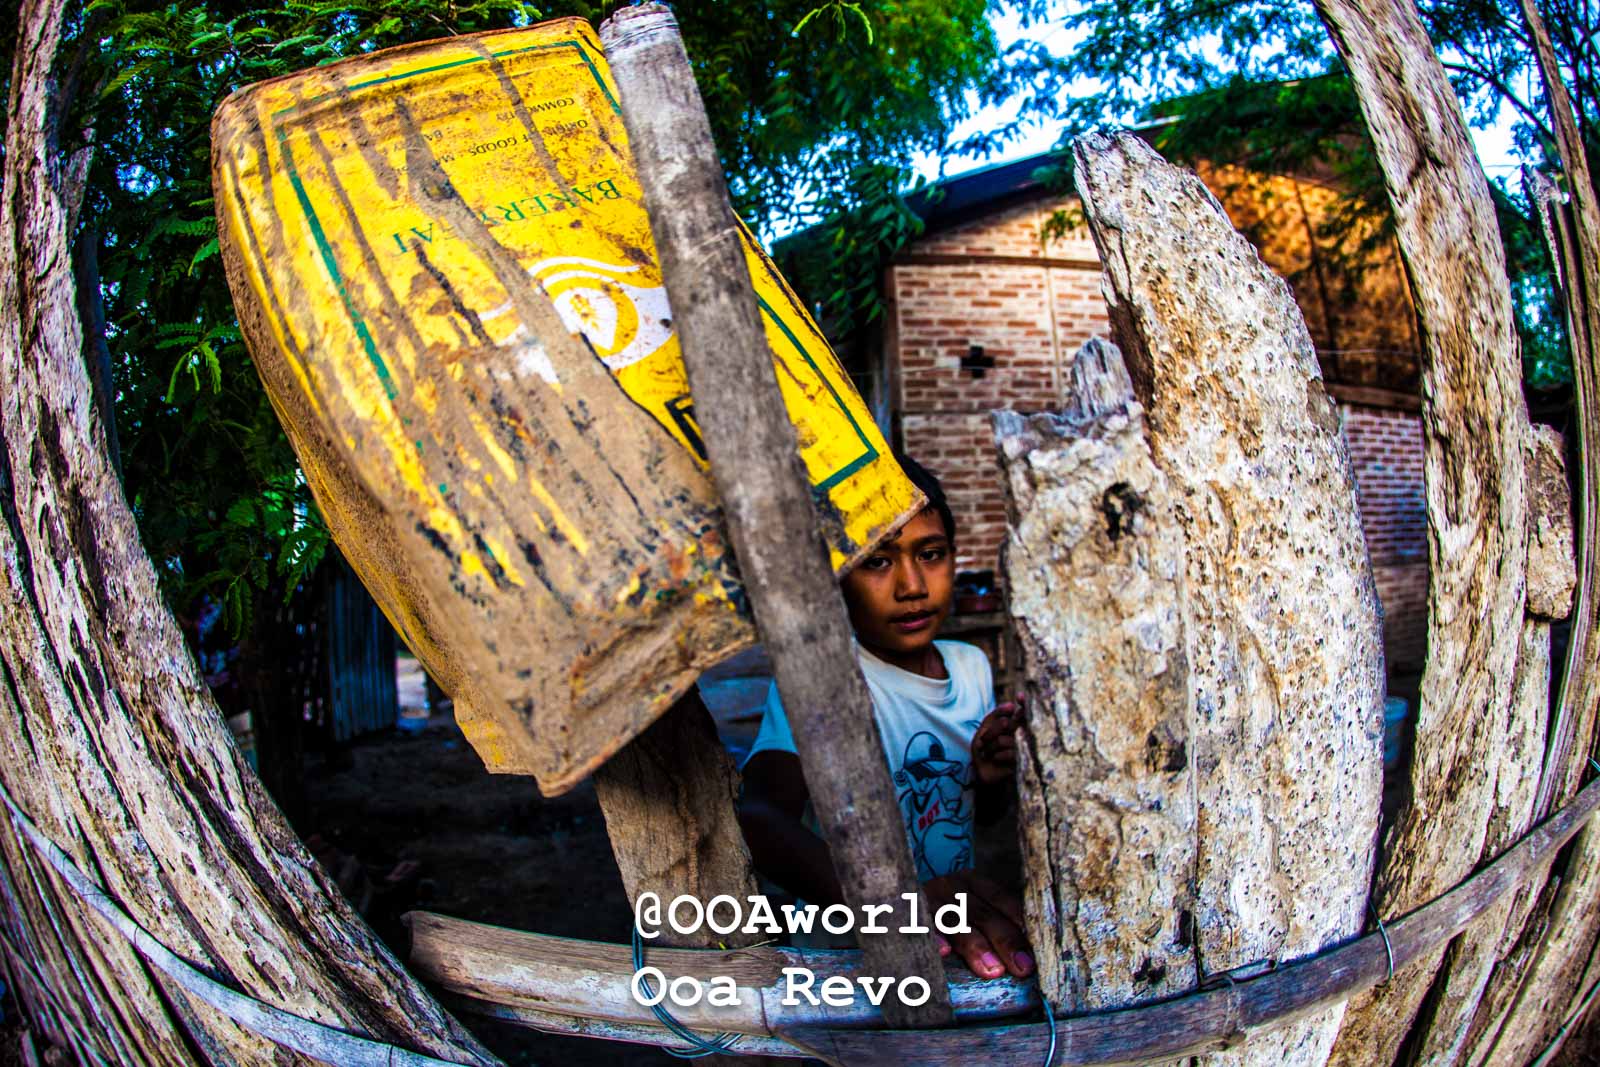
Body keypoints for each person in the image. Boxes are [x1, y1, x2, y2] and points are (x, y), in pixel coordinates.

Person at [736, 455, 1034, 981]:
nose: (911, 586)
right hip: (849, 960)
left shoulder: (971, 667)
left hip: (950, 940)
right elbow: (760, 817)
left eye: (931, 554)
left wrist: (988, 777)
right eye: (877, 561)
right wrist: (894, 904)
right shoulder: (825, 679)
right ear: (837, 576)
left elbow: (977, 818)